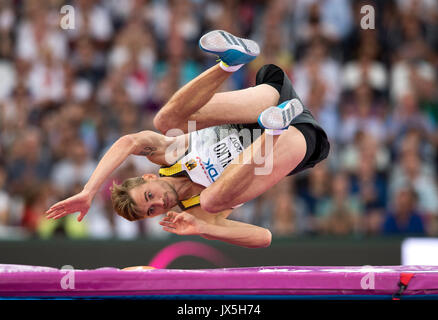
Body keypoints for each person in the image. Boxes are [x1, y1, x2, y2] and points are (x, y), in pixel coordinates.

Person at [46, 30, 330, 248]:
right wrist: (205, 229)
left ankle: (230, 63)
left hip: (267, 103)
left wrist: (89, 191)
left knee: (164, 122)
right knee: (211, 199)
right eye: (152, 211)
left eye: (149, 196)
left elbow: (128, 142)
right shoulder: (197, 212)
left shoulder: (168, 153)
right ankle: (274, 130)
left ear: (149, 179)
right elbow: (263, 238)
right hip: (293, 140)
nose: (159, 204)